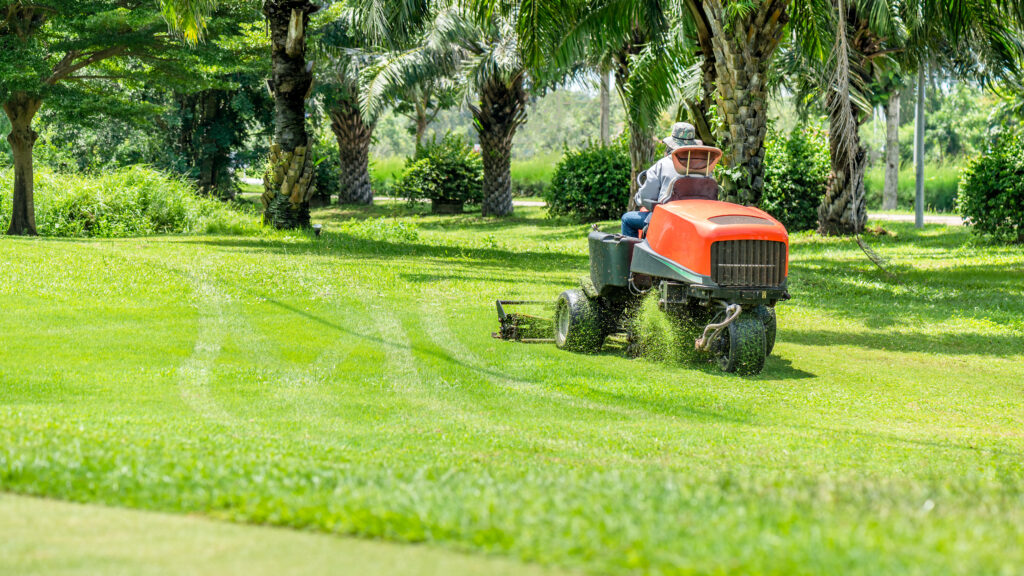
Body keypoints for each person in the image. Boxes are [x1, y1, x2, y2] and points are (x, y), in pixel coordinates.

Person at [620, 122, 702, 237]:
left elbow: (646, 197)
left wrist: (638, 199)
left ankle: (630, 254)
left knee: (627, 219)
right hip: (697, 217)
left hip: (669, 219)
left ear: (671, 145)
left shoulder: (662, 164)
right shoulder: (706, 166)